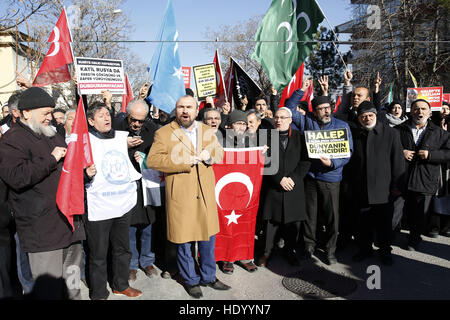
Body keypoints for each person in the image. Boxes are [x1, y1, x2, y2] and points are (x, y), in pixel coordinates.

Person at [0, 87, 85, 299]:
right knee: (50, 291)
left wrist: (84, 173)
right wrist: (50, 159)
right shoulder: (12, 139)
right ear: (26, 112)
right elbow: (16, 177)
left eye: (50, 112)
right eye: (45, 113)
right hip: (43, 231)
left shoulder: (52, 135)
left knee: (73, 285)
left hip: (69, 224)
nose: (50, 118)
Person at [147, 95, 230, 299]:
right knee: (184, 241)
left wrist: (209, 156)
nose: (185, 111)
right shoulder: (164, 133)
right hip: (181, 195)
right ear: (176, 110)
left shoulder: (206, 131)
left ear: (196, 110)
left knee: (207, 239)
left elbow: (219, 154)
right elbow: (153, 160)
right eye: (181, 107)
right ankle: (190, 280)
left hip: (205, 194)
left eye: (189, 107)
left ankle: (209, 276)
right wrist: (183, 160)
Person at [285, 81, 353, 265]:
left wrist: (332, 163)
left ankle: (331, 250)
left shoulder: (341, 125)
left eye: (328, 108)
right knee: (310, 217)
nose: (326, 111)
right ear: (314, 111)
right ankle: (309, 247)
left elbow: (348, 153)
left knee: (332, 218)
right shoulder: (307, 121)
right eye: (321, 109)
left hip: (331, 179)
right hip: (311, 178)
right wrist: (301, 89)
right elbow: (289, 109)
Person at [84, 102, 143, 300]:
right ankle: (99, 293)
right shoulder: (85, 141)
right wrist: (85, 174)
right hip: (99, 205)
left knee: (122, 249)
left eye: (107, 114)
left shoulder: (120, 138)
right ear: (91, 121)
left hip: (122, 203)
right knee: (98, 253)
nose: (107, 118)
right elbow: (74, 173)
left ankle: (121, 285)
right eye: (100, 115)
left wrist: (135, 158)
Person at [347, 101, 405, 265]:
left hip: (384, 190)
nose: (366, 119)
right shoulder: (356, 134)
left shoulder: (391, 133)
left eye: (370, 115)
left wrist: (396, 186)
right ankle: (364, 250)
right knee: (363, 224)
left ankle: (385, 252)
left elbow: (398, 161)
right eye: (363, 116)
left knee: (384, 225)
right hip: (361, 189)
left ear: (376, 115)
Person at [113, 99, 160, 282]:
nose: (136, 124)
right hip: (125, 185)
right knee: (129, 226)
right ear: (127, 115)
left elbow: (159, 153)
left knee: (148, 224)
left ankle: (147, 260)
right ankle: (131, 264)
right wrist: (124, 145)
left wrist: (146, 157)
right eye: (133, 120)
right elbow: (106, 150)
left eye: (141, 121)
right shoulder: (116, 127)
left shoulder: (152, 129)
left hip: (148, 183)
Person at [258, 107, 310, 267]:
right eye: (276, 117)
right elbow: (263, 161)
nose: (278, 120)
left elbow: (305, 161)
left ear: (290, 120)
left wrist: (293, 178)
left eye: (282, 117)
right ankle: (266, 253)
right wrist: (279, 178)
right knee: (271, 224)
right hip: (274, 186)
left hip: (294, 186)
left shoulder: (300, 137)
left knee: (292, 224)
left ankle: (290, 251)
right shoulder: (265, 137)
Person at [395, 99, 450, 251]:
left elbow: (448, 153)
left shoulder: (441, 134)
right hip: (402, 178)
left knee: (419, 215)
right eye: (416, 109)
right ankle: (390, 237)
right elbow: (388, 148)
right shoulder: (399, 129)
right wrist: (402, 152)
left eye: (423, 109)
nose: (420, 112)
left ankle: (413, 239)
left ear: (430, 113)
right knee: (395, 212)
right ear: (411, 111)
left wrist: (431, 155)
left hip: (425, 179)